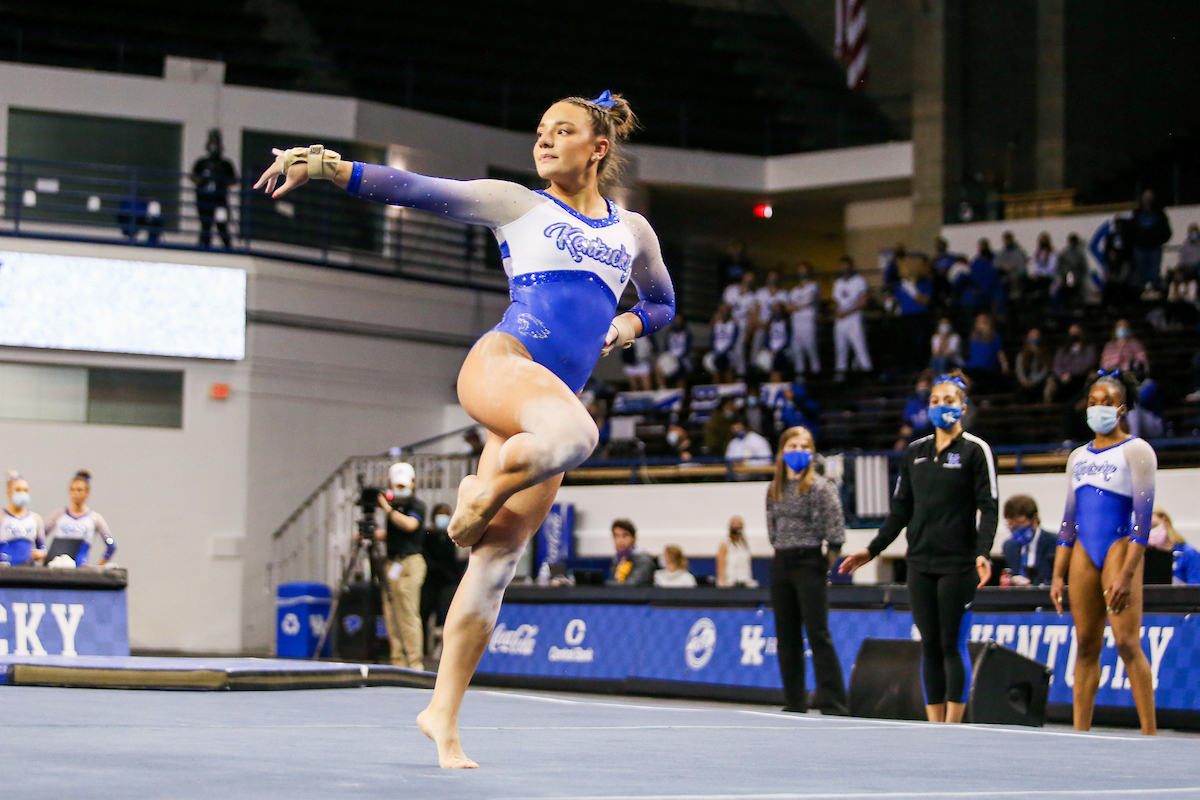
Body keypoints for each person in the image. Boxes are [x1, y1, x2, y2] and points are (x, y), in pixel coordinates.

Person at [255, 90, 677, 768]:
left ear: (598, 148)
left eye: (562, 131)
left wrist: (623, 327)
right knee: (579, 437)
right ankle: (479, 494)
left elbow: (661, 302)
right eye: (540, 130)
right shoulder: (520, 205)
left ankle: (442, 716)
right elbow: (418, 189)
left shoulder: (633, 233)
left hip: (547, 405)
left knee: (498, 562)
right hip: (503, 365)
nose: (543, 141)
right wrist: (327, 167)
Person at [841, 371, 998, 724]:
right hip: (920, 563)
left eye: (949, 401)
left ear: (963, 406)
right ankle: (933, 724)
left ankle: (953, 726)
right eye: (935, 401)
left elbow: (989, 507)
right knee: (929, 645)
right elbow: (900, 512)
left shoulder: (975, 451)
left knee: (951, 644)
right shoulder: (915, 453)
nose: (942, 407)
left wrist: (982, 552)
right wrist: (872, 550)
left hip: (958, 564)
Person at [1049, 370, 1158, 735]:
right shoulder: (1077, 457)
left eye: (1107, 403)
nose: (1099, 409)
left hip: (1119, 547)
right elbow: (1068, 521)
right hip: (1083, 551)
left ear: (1122, 408)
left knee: (1127, 643)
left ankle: (1150, 733)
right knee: (1085, 645)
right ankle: (1080, 733)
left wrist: (1128, 574)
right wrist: (1057, 575)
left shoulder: (1137, 450)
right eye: (1093, 403)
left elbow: (1143, 521)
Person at [768, 426, 848, 715]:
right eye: (792, 446)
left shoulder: (820, 487)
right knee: (786, 637)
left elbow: (836, 534)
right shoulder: (774, 489)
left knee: (817, 634)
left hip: (810, 562)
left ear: (812, 452)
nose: (798, 452)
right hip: (781, 563)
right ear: (782, 453)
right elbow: (772, 531)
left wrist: (820, 567)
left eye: (804, 446)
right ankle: (795, 701)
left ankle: (834, 703)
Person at [366, 462, 428, 670]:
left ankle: (414, 663)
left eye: (403, 486)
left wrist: (387, 508)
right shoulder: (392, 509)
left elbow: (410, 525)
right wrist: (369, 534)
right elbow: (394, 533)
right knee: (391, 614)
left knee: (408, 614)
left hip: (410, 563)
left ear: (412, 483)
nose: (400, 490)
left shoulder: (416, 506)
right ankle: (398, 662)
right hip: (392, 562)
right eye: (397, 486)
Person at [43, 470, 116, 567]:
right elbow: (40, 537)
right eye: (72, 490)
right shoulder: (59, 515)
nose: (75, 493)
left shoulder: (94, 519)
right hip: (58, 567)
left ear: (87, 493)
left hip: (81, 568)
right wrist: (43, 553)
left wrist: (98, 566)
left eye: (79, 490)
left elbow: (111, 546)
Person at [421, 503, 465, 655]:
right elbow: (425, 557)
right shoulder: (427, 535)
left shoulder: (450, 536)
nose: (443, 517)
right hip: (429, 581)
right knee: (423, 615)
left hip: (447, 581)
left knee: (446, 615)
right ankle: (422, 649)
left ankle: (444, 650)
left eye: (446, 514)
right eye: (440, 514)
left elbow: (452, 560)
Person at [190, 129, 238, 249]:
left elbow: (233, 180)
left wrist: (220, 178)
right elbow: (193, 177)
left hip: (219, 199)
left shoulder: (225, 164)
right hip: (204, 199)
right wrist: (204, 178)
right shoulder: (202, 163)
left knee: (221, 223)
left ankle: (228, 248)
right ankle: (204, 247)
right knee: (206, 224)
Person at [1000, 495, 1056, 586]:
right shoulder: (1009, 546)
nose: (1015, 529)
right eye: (1010, 524)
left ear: (1035, 519)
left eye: (1020, 523)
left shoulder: (1054, 543)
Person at [832, 256, 872, 376]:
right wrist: (836, 310)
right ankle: (840, 378)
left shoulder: (859, 281)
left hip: (854, 319)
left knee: (860, 349)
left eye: (847, 266)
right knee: (840, 351)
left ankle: (867, 375)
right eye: (842, 266)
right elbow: (835, 301)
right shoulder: (838, 282)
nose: (844, 269)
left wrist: (847, 312)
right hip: (840, 320)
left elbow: (863, 301)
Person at [894, 254, 933, 373]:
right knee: (905, 344)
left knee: (919, 344)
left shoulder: (925, 283)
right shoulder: (903, 284)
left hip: (919, 317)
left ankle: (921, 368)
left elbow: (925, 300)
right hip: (906, 317)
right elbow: (897, 298)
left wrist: (913, 292)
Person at [1129, 189, 1171, 291]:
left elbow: (1166, 230)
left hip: (1154, 248)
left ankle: (1154, 294)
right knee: (1140, 275)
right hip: (1140, 248)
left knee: (1154, 274)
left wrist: (1159, 240)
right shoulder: (1137, 214)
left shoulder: (1159, 213)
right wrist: (1135, 242)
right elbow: (1131, 230)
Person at [1, 471, 45, 567]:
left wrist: (41, 553)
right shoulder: (2, 517)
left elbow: (42, 547)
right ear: (9, 492)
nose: (22, 493)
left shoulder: (35, 519)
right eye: (18, 490)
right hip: (5, 570)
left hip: (27, 570)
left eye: (25, 490)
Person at [1149, 508, 1200, 586]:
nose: (1151, 531)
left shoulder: (1189, 553)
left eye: (1154, 526)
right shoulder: (1145, 556)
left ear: (1165, 521)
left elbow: (1196, 590)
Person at [722, 271, 758, 375]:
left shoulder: (752, 297)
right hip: (728, 324)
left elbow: (752, 316)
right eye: (747, 278)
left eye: (751, 280)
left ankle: (740, 377)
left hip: (742, 326)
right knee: (727, 351)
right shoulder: (731, 290)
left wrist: (748, 333)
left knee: (739, 351)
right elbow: (724, 306)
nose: (748, 281)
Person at [788, 261, 821, 374]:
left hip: (808, 323)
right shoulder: (794, 290)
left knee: (811, 351)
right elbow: (789, 306)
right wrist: (796, 306)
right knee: (797, 353)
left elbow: (808, 300)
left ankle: (816, 376)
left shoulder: (813, 286)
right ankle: (800, 379)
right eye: (800, 271)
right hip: (796, 324)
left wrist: (796, 305)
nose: (802, 274)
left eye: (804, 271)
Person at [1052, 323, 1098, 403]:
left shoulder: (1089, 348)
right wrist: (1062, 375)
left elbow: (1089, 362)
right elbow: (1057, 365)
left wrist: (1072, 372)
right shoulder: (1063, 350)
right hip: (1065, 379)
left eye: (1076, 332)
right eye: (1072, 332)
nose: (1074, 335)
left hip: (1081, 376)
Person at [963, 313, 1008, 393]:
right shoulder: (973, 337)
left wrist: (1004, 364)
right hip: (973, 366)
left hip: (987, 366)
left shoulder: (994, 336)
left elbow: (1000, 352)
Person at [608, 518, 655, 586]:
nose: (620, 540)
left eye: (625, 536)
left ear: (634, 538)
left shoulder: (643, 561)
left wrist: (604, 585)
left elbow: (632, 586)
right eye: (616, 536)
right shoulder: (618, 560)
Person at [895, 371, 934, 450]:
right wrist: (903, 437)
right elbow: (906, 425)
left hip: (930, 438)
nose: (922, 391)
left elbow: (932, 426)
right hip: (913, 439)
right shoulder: (912, 404)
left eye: (925, 388)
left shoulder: (934, 403)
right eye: (920, 388)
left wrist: (914, 431)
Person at [1014, 328, 1053, 404]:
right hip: (1025, 383)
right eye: (1032, 336)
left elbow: (1044, 370)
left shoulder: (1044, 355)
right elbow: (1019, 369)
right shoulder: (1022, 355)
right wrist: (1024, 380)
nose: (1034, 338)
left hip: (1038, 383)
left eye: (1036, 336)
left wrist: (1034, 381)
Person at [717, 516, 757, 587]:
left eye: (739, 526)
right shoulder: (725, 544)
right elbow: (721, 566)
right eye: (734, 526)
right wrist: (723, 583)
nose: (736, 528)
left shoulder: (744, 545)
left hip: (744, 582)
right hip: (730, 583)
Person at [704, 304, 739, 384]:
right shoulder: (717, 325)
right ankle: (717, 390)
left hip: (729, 351)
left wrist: (726, 351)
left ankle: (729, 391)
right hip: (717, 351)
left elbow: (734, 340)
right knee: (712, 365)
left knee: (728, 368)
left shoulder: (733, 325)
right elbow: (712, 339)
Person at [1057, 233, 1089, 311]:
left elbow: (1084, 268)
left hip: (1076, 279)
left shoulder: (1078, 254)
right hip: (1069, 277)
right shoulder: (1066, 253)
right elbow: (1060, 267)